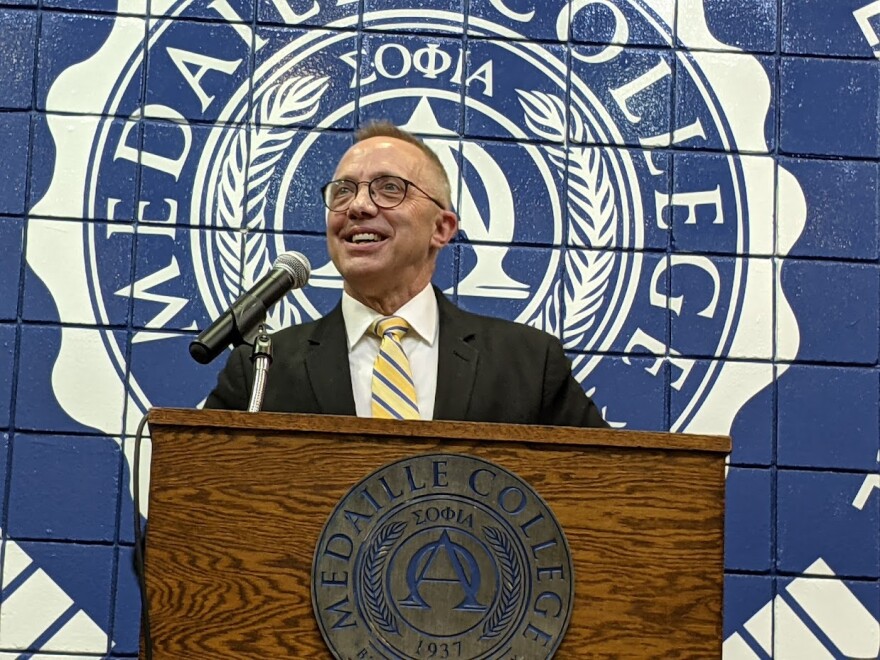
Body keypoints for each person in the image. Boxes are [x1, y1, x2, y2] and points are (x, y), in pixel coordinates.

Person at [204, 122, 608, 428]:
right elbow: (190, 509)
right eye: (343, 191)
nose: (358, 206)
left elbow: (611, 495)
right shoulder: (261, 368)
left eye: (389, 188)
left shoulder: (528, 364)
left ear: (442, 229)